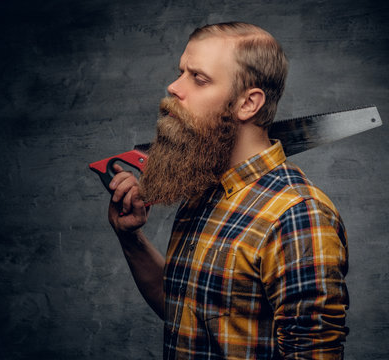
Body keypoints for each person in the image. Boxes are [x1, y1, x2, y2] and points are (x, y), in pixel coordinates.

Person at [107, 22, 349, 359]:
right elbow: (184, 311)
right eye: (181, 73)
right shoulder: (202, 192)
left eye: (199, 78)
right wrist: (130, 238)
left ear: (248, 103)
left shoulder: (297, 216)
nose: (174, 87)